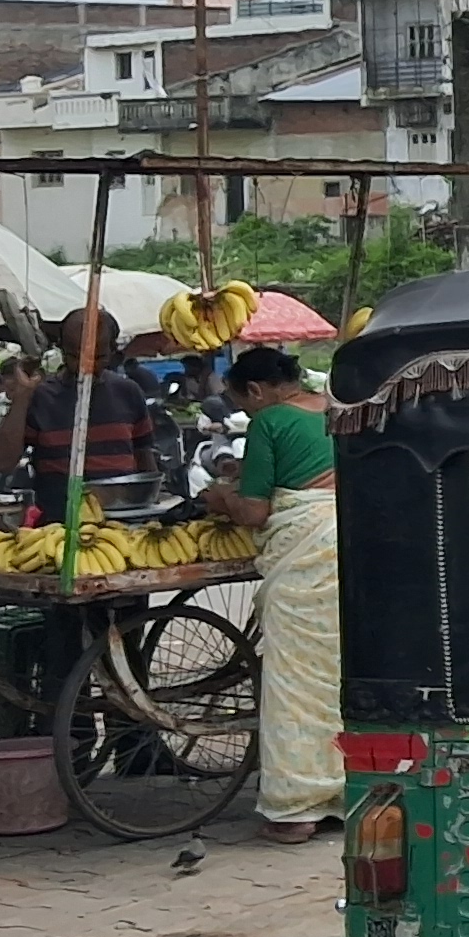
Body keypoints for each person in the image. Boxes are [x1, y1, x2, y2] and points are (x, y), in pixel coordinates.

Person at [199, 344, 339, 843]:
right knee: (341, 677)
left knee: (295, 684)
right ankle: (348, 792)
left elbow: (254, 512)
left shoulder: (269, 422)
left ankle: (297, 808)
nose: (244, 413)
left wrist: (221, 497)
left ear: (255, 391)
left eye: (242, 403)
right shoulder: (334, 404)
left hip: (305, 556)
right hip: (350, 545)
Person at [0, 310, 157, 511]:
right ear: (61, 348)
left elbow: (145, 458)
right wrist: (22, 396)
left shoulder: (128, 392)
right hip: (57, 522)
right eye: (75, 356)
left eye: (98, 356)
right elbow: (1, 462)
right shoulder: (41, 396)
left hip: (119, 519)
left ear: (113, 350)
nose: (86, 366)